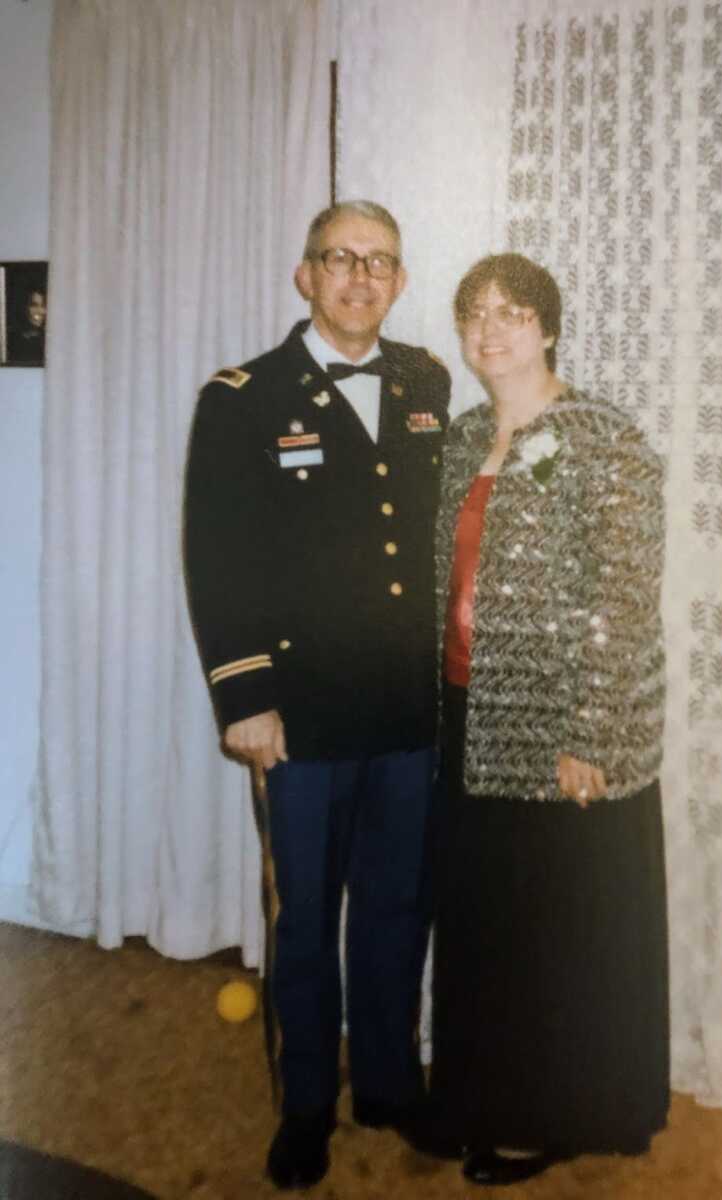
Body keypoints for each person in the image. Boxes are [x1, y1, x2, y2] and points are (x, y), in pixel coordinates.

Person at [184, 200, 450, 1191]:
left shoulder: (426, 379)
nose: (360, 276)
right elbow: (217, 554)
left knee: (396, 904)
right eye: (340, 258)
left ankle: (385, 1080)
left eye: (380, 261)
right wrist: (243, 696)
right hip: (297, 712)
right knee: (306, 918)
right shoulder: (244, 396)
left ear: (399, 280)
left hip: (404, 711)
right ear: (305, 275)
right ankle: (305, 1103)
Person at [428, 253, 669, 1185]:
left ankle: (558, 1112)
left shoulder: (606, 437)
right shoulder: (456, 439)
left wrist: (593, 733)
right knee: (486, 928)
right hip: (467, 717)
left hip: (561, 730)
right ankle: (478, 1096)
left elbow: (624, 592)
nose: (491, 330)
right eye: (475, 314)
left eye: (512, 312)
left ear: (550, 327)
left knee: (557, 934)